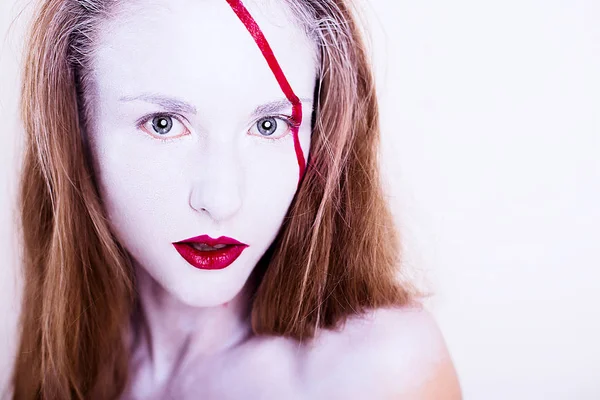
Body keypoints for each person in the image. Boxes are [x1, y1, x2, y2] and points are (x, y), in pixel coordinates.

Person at [10, 0, 462, 398]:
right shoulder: (60, 366)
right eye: (164, 123)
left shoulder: (378, 372)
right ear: (76, 129)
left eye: (269, 125)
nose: (221, 200)